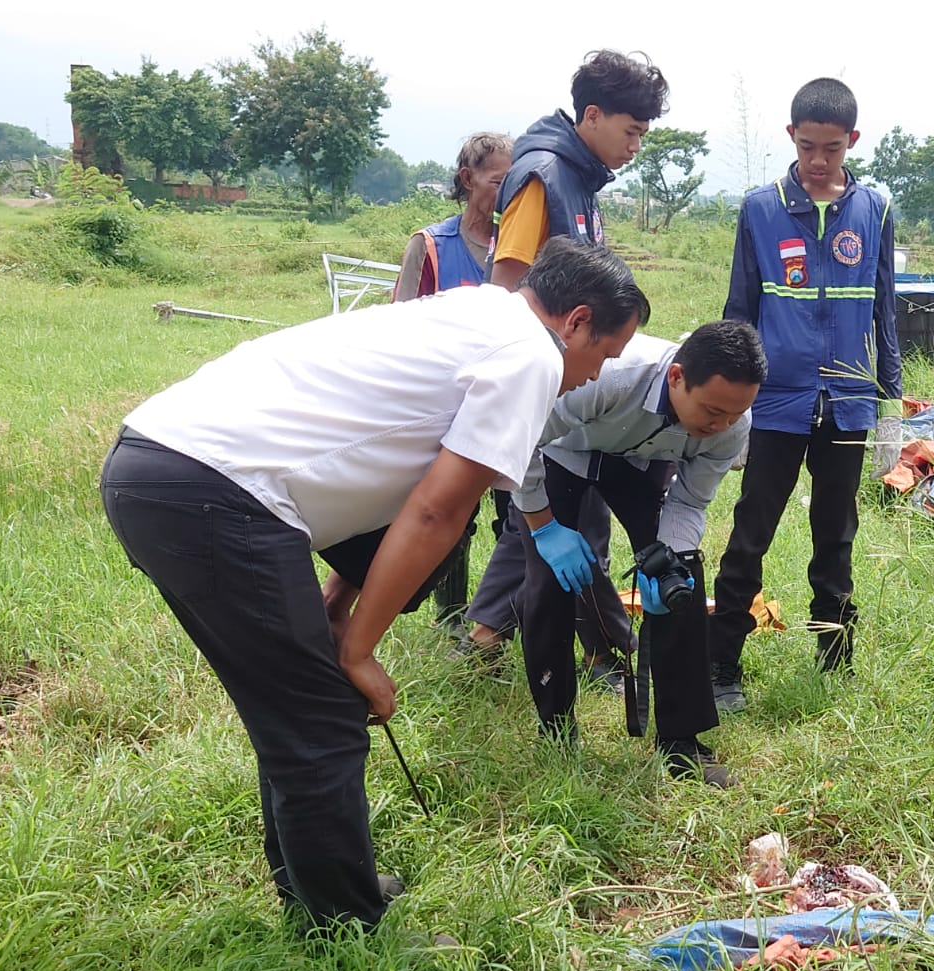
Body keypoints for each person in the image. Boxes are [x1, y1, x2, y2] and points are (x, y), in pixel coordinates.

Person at [100, 238, 649, 933]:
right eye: (603, 354)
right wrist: (358, 652)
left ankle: (323, 888)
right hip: (214, 488)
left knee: (300, 712)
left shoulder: (478, 310)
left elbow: (390, 472)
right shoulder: (532, 355)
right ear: (574, 321)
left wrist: (336, 606)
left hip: (165, 461)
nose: (592, 375)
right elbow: (437, 510)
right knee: (320, 718)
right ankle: (347, 931)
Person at [463, 51, 671, 681]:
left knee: (546, 519)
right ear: (592, 114)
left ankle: (486, 637)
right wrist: (528, 380)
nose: (636, 145)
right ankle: (602, 649)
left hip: (569, 368)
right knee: (555, 518)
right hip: (540, 375)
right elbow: (506, 290)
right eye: (631, 131)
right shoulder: (543, 177)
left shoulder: (580, 177)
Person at [709, 77, 901, 713]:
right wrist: (732, 393)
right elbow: (741, 306)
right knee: (751, 527)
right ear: (790, 137)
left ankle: (833, 659)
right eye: (809, 146)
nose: (820, 161)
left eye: (833, 149)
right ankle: (722, 662)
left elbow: (883, 303)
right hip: (777, 401)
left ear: (852, 142)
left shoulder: (873, 208)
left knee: (836, 529)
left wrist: (889, 392)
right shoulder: (761, 208)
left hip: (847, 399)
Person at [512, 322, 766, 787]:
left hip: (640, 465)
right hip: (561, 454)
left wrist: (670, 555)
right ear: (676, 377)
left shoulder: (732, 426)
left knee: (679, 583)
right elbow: (519, 437)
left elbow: (689, 502)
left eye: (734, 415)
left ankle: (681, 743)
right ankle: (557, 731)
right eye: (712, 411)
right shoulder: (611, 376)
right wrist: (545, 527)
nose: (721, 426)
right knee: (550, 583)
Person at [391, 132, 514, 628]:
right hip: (445, 405)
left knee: (515, 512)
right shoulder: (430, 246)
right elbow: (399, 328)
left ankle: (501, 619)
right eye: (497, 181)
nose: (505, 195)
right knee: (450, 513)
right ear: (467, 180)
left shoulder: (518, 248)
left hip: (505, 402)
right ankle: (451, 616)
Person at [393, 132, 514, 302]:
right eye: (499, 184)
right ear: (468, 179)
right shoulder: (429, 247)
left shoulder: (522, 252)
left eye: (516, 185)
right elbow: (402, 320)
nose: (509, 194)